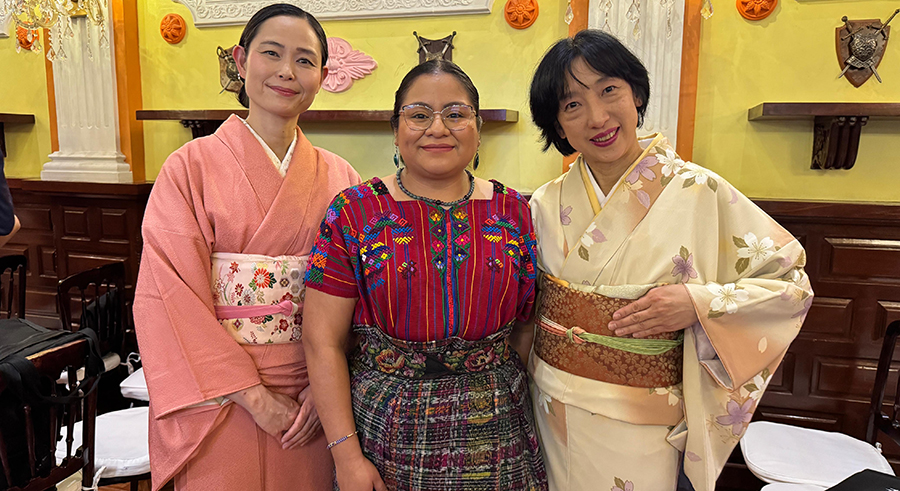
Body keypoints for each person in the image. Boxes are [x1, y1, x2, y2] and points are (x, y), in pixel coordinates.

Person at [526, 30, 813, 491]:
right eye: (572, 104)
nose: (597, 117)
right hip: (552, 407)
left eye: (609, 90)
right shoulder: (543, 203)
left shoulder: (700, 191)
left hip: (646, 418)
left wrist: (699, 303)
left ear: (636, 94)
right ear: (558, 126)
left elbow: (790, 283)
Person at [133, 4, 361, 491]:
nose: (287, 71)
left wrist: (324, 390)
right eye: (271, 53)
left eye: (305, 60)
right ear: (240, 61)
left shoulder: (342, 177)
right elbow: (168, 296)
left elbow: (359, 299)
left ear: (322, 76)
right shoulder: (189, 167)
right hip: (220, 394)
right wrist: (253, 397)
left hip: (311, 392)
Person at [302, 59, 548, 491]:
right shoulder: (354, 212)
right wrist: (346, 456)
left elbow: (525, 327)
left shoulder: (514, 212)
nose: (438, 128)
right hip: (386, 429)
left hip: (496, 426)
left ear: (478, 128)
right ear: (396, 130)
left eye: (456, 114)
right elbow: (322, 341)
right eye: (418, 115)